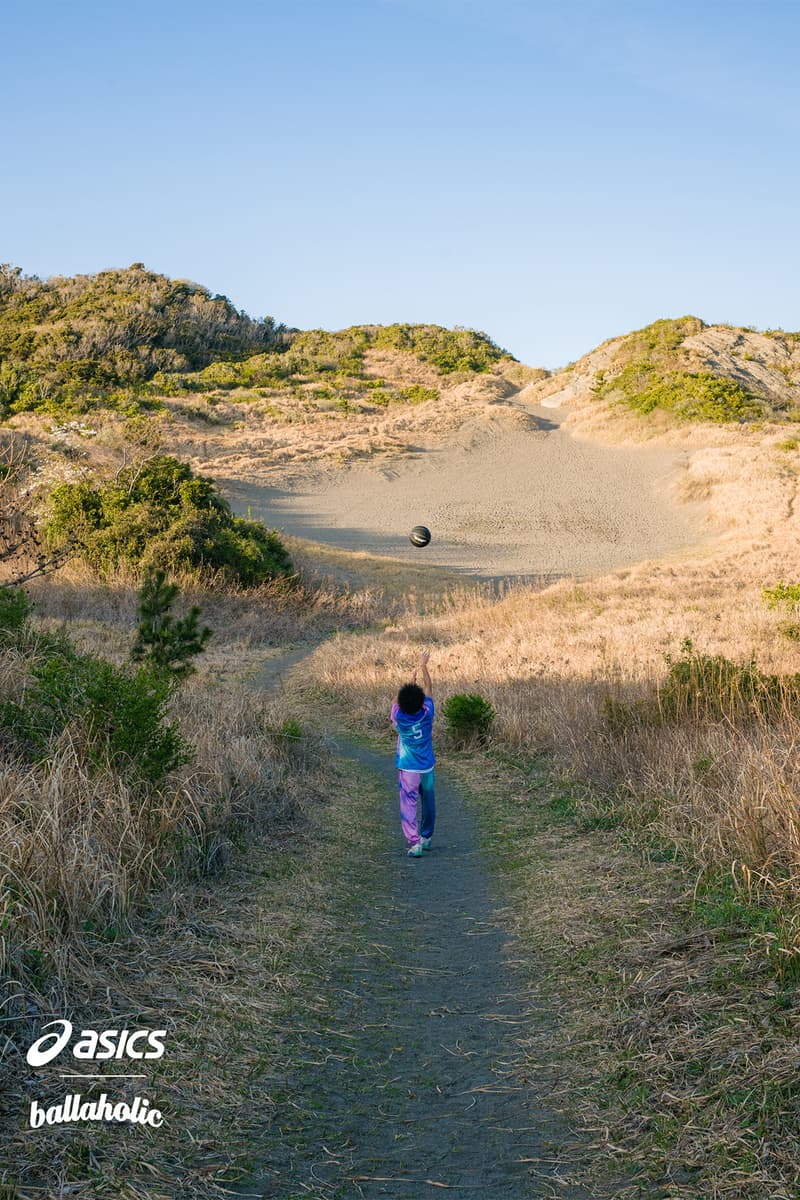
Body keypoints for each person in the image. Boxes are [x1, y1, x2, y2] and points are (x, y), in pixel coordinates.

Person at [391, 649, 435, 858]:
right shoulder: (427, 713)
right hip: (426, 766)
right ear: (420, 702)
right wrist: (423, 666)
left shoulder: (399, 717)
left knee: (408, 804)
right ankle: (427, 837)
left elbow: (396, 702)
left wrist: (409, 681)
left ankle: (414, 842)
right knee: (428, 801)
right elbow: (428, 688)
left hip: (408, 767)